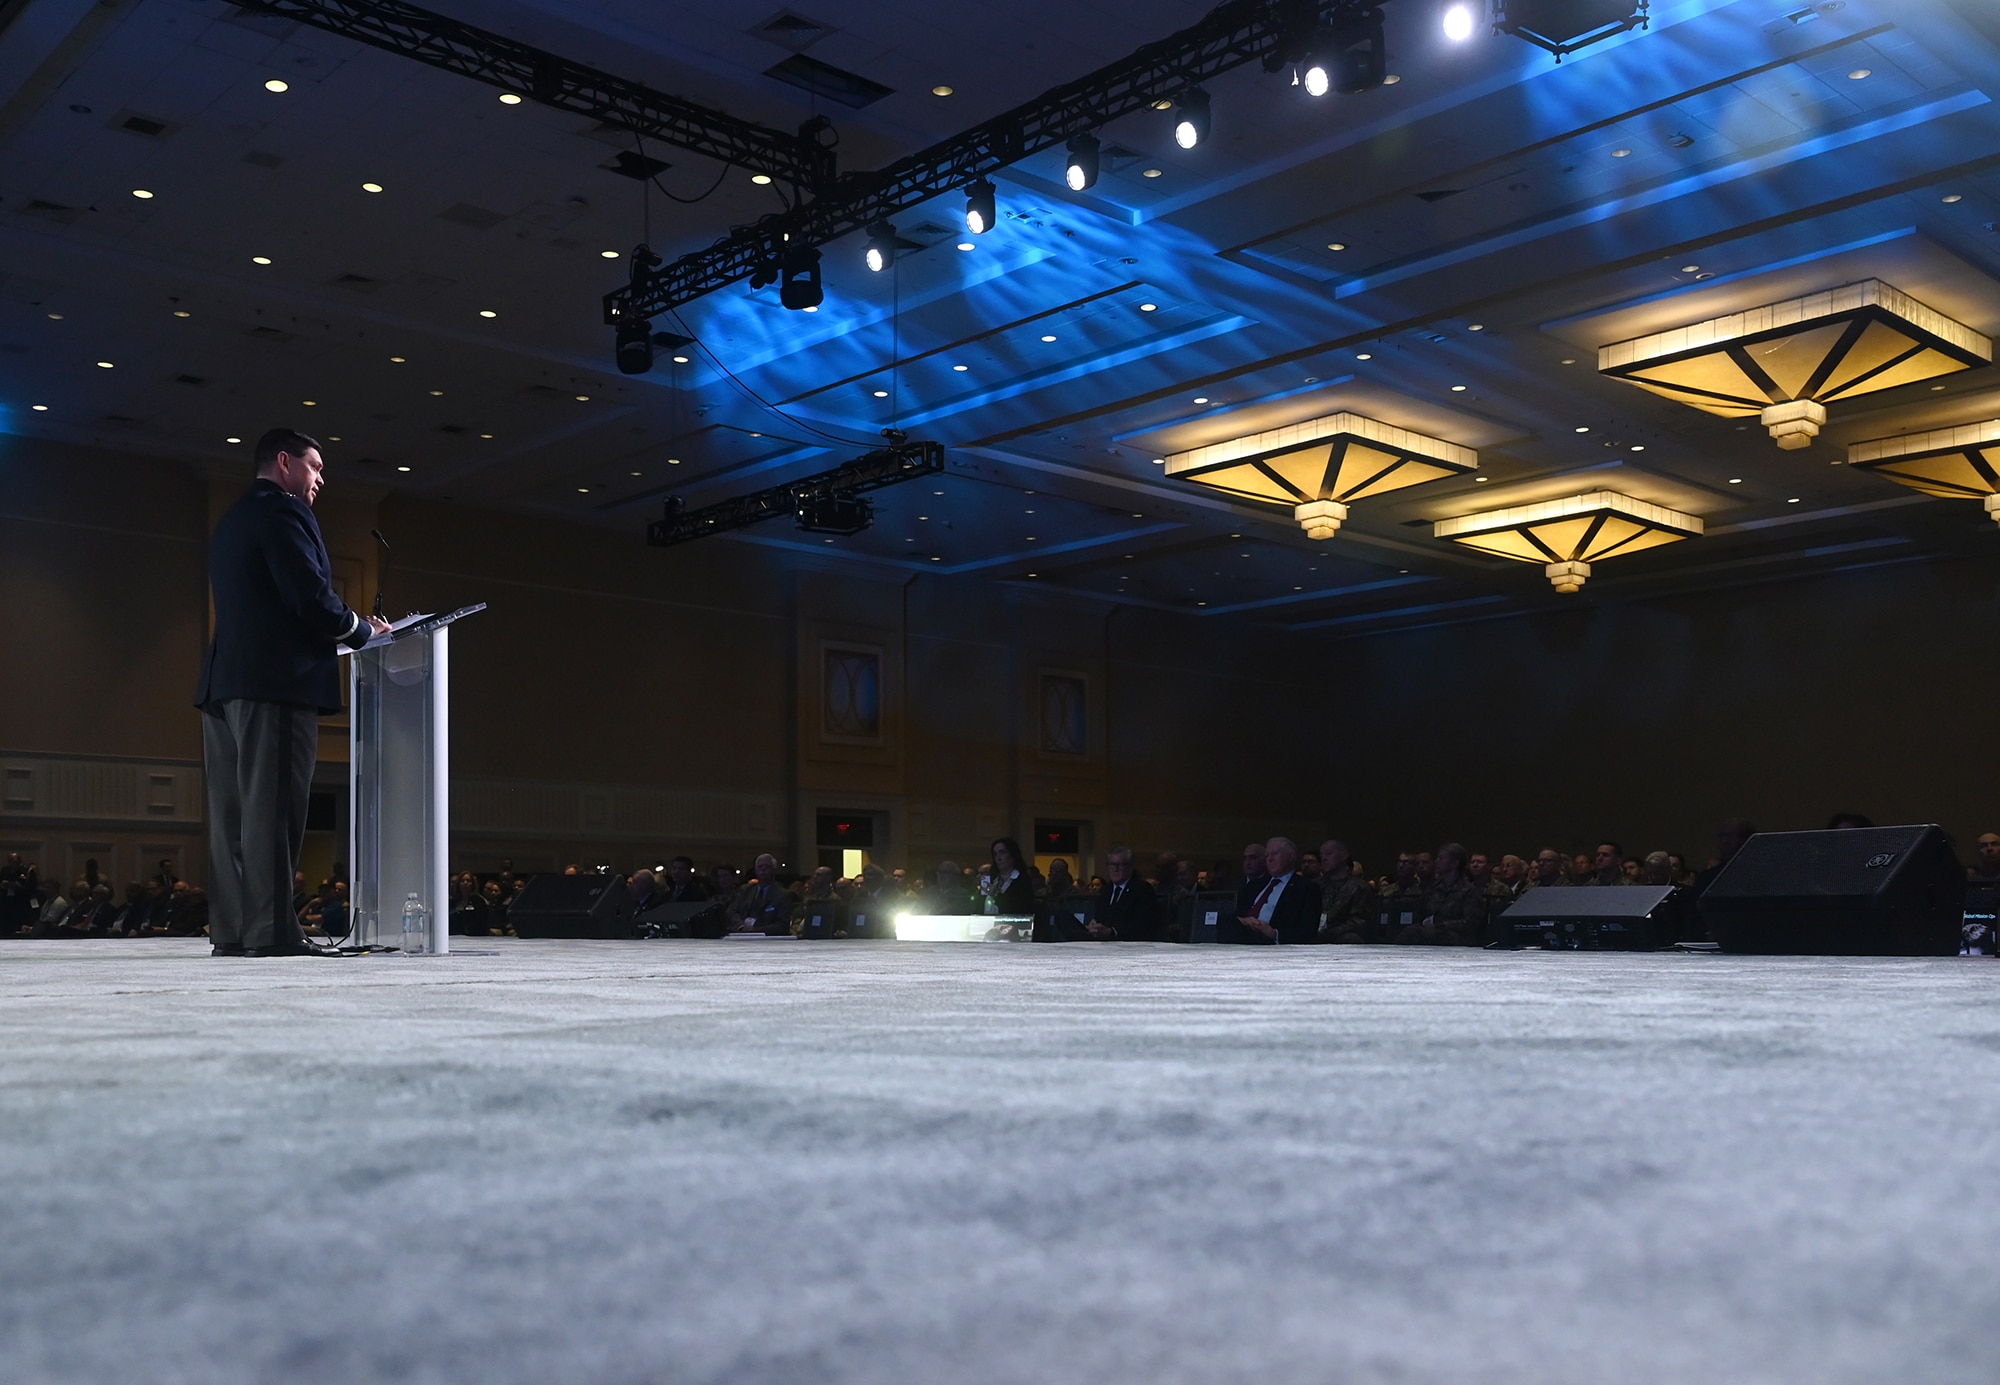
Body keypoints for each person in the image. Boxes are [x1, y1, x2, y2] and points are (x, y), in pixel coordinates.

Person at [196, 428, 391, 958]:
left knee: (233, 819)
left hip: (224, 684)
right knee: (273, 812)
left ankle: (236, 932)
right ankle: (274, 933)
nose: (320, 480)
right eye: (315, 467)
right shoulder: (283, 511)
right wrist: (361, 630)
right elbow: (306, 593)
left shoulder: (233, 518)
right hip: (274, 685)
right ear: (284, 463)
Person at [1233, 837, 1317, 944]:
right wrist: (1244, 921)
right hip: (1245, 933)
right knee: (1223, 921)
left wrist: (1274, 933)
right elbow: (1238, 915)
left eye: (1275, 854)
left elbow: (1308, 932)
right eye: (1267, 855)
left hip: (1273, 941)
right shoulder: (1254, 886)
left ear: (1291, 856)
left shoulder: (1306, 888)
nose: (1270, 859)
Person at [1400, 843, 1485, 946]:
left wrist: (1440, 925)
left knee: (1425, 934)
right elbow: (1421, 913)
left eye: (1441, 859)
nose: (1437, 862)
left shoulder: (1468, 891)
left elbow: (1471, 923)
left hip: (1458, 938)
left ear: (1454, 863)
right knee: (1411, 931)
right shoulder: (1434, 888)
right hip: (1431, 933)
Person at [1070, 846, 1156, 941]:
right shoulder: (1106, 892)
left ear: (1130, 867)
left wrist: (1112, 931)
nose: (1115, 869)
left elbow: (1143, 924)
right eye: (1112, 865)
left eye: (1120, 865)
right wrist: (1094, 925)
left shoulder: (1142, 889)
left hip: (1128, 946)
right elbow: (1101, 918)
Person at [1317, 839, 1372, 944]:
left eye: (1329, 853)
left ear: (1344, 855)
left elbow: (1359, 921)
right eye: (1321, 855)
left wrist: (1330, 932)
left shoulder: (1359, 887)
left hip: (1340, 936)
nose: (1324, 858)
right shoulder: (1317, 886)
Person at [727, 854, 796, 933]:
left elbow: (782, 925)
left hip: (768, 938)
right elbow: (731, 912)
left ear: (774, 870)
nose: (763, 869)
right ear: (755, 870)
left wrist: (756, 930)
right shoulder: (745, 890)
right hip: (742, 933)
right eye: (760, 866)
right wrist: (741, 926)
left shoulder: (783, 895)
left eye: (767, 866)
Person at [980, 838, 1035, 917]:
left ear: (1012, 855)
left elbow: (1018, 908)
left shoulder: (1022, 880)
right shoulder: (993, 879)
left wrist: (996, 894)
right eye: (995, 854)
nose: (998, 858)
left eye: (1002, 853)